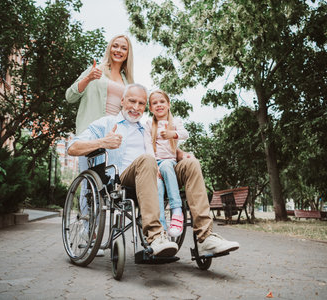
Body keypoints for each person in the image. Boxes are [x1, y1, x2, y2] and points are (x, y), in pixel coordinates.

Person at [68, 83, 240, 257]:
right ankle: (156, 236)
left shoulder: (148, 127)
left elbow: (165, 149)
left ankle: (206, 238)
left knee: (191, 164)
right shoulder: (107, 123)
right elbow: (72, 147)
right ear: (122, 101)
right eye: (132, 101)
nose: (136, 108)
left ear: (145, 107)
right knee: (147, 160)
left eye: (141, 103)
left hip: (158, 174)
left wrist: (181, 154)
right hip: (124, 179)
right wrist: (103, 142)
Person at [65, 35, 133, 255]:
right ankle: (89, 233)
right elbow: (70, 96)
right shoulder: (95, 69)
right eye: (115, 45)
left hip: (115, 137)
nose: (119, 50)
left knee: (114, 187)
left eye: (123, 48)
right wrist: (87, 80)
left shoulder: (127, 81)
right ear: (109, 48)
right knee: (88, 187)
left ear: (127, 53)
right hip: (91, 133)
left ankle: (114, 234)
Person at [144, 90, 188, 237]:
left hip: (170, 164)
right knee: (158, 185)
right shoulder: (149, 124)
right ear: (150, 108)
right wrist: (154, 166)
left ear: (168, 104)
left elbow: (185, 134)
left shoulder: (175, 122)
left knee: (167, 165)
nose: (159, 105)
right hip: (156, 164)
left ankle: (176, 210)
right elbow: (148, 146)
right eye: (154, 103)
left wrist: (172, 134)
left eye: (162, 101)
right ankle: (161, 226)